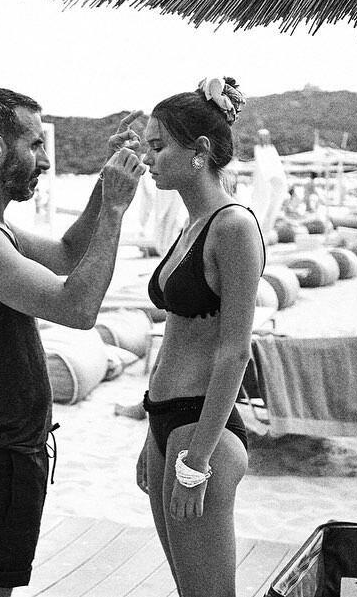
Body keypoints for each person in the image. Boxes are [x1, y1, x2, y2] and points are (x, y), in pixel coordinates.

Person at [0, 86, 146, 596]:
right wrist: (114, 209)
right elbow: (78, 309)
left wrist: (103, 184)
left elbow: (68, 253)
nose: (44, 160)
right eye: (36, 144)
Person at [135, 76, 265, 597]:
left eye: (158, 145)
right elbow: (177, 336)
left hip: (201, 429)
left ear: (200, 151)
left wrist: (198, 460)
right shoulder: (190, 226)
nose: (147, 157)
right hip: (168, 423)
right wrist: (150, 433)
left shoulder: (233, 227)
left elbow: (235, 351)